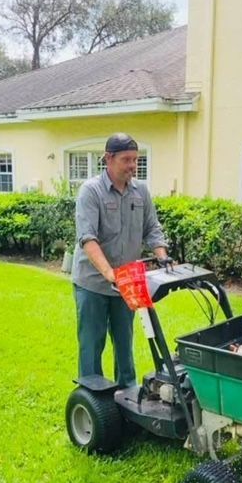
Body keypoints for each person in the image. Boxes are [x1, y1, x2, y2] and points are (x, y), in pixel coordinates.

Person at [72, 132, 169, 388]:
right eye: (126, 160)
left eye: (136, 160)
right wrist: (108, 273)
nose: (132, 166)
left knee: (125, 344)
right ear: (108, 159)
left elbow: (152, 228)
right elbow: (87, 238)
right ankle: (91, 400)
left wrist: (162, 256)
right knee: (92, 344)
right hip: (92, 283)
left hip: (128, 282)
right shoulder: (91, 191)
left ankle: (128, 397)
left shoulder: (141, 192)